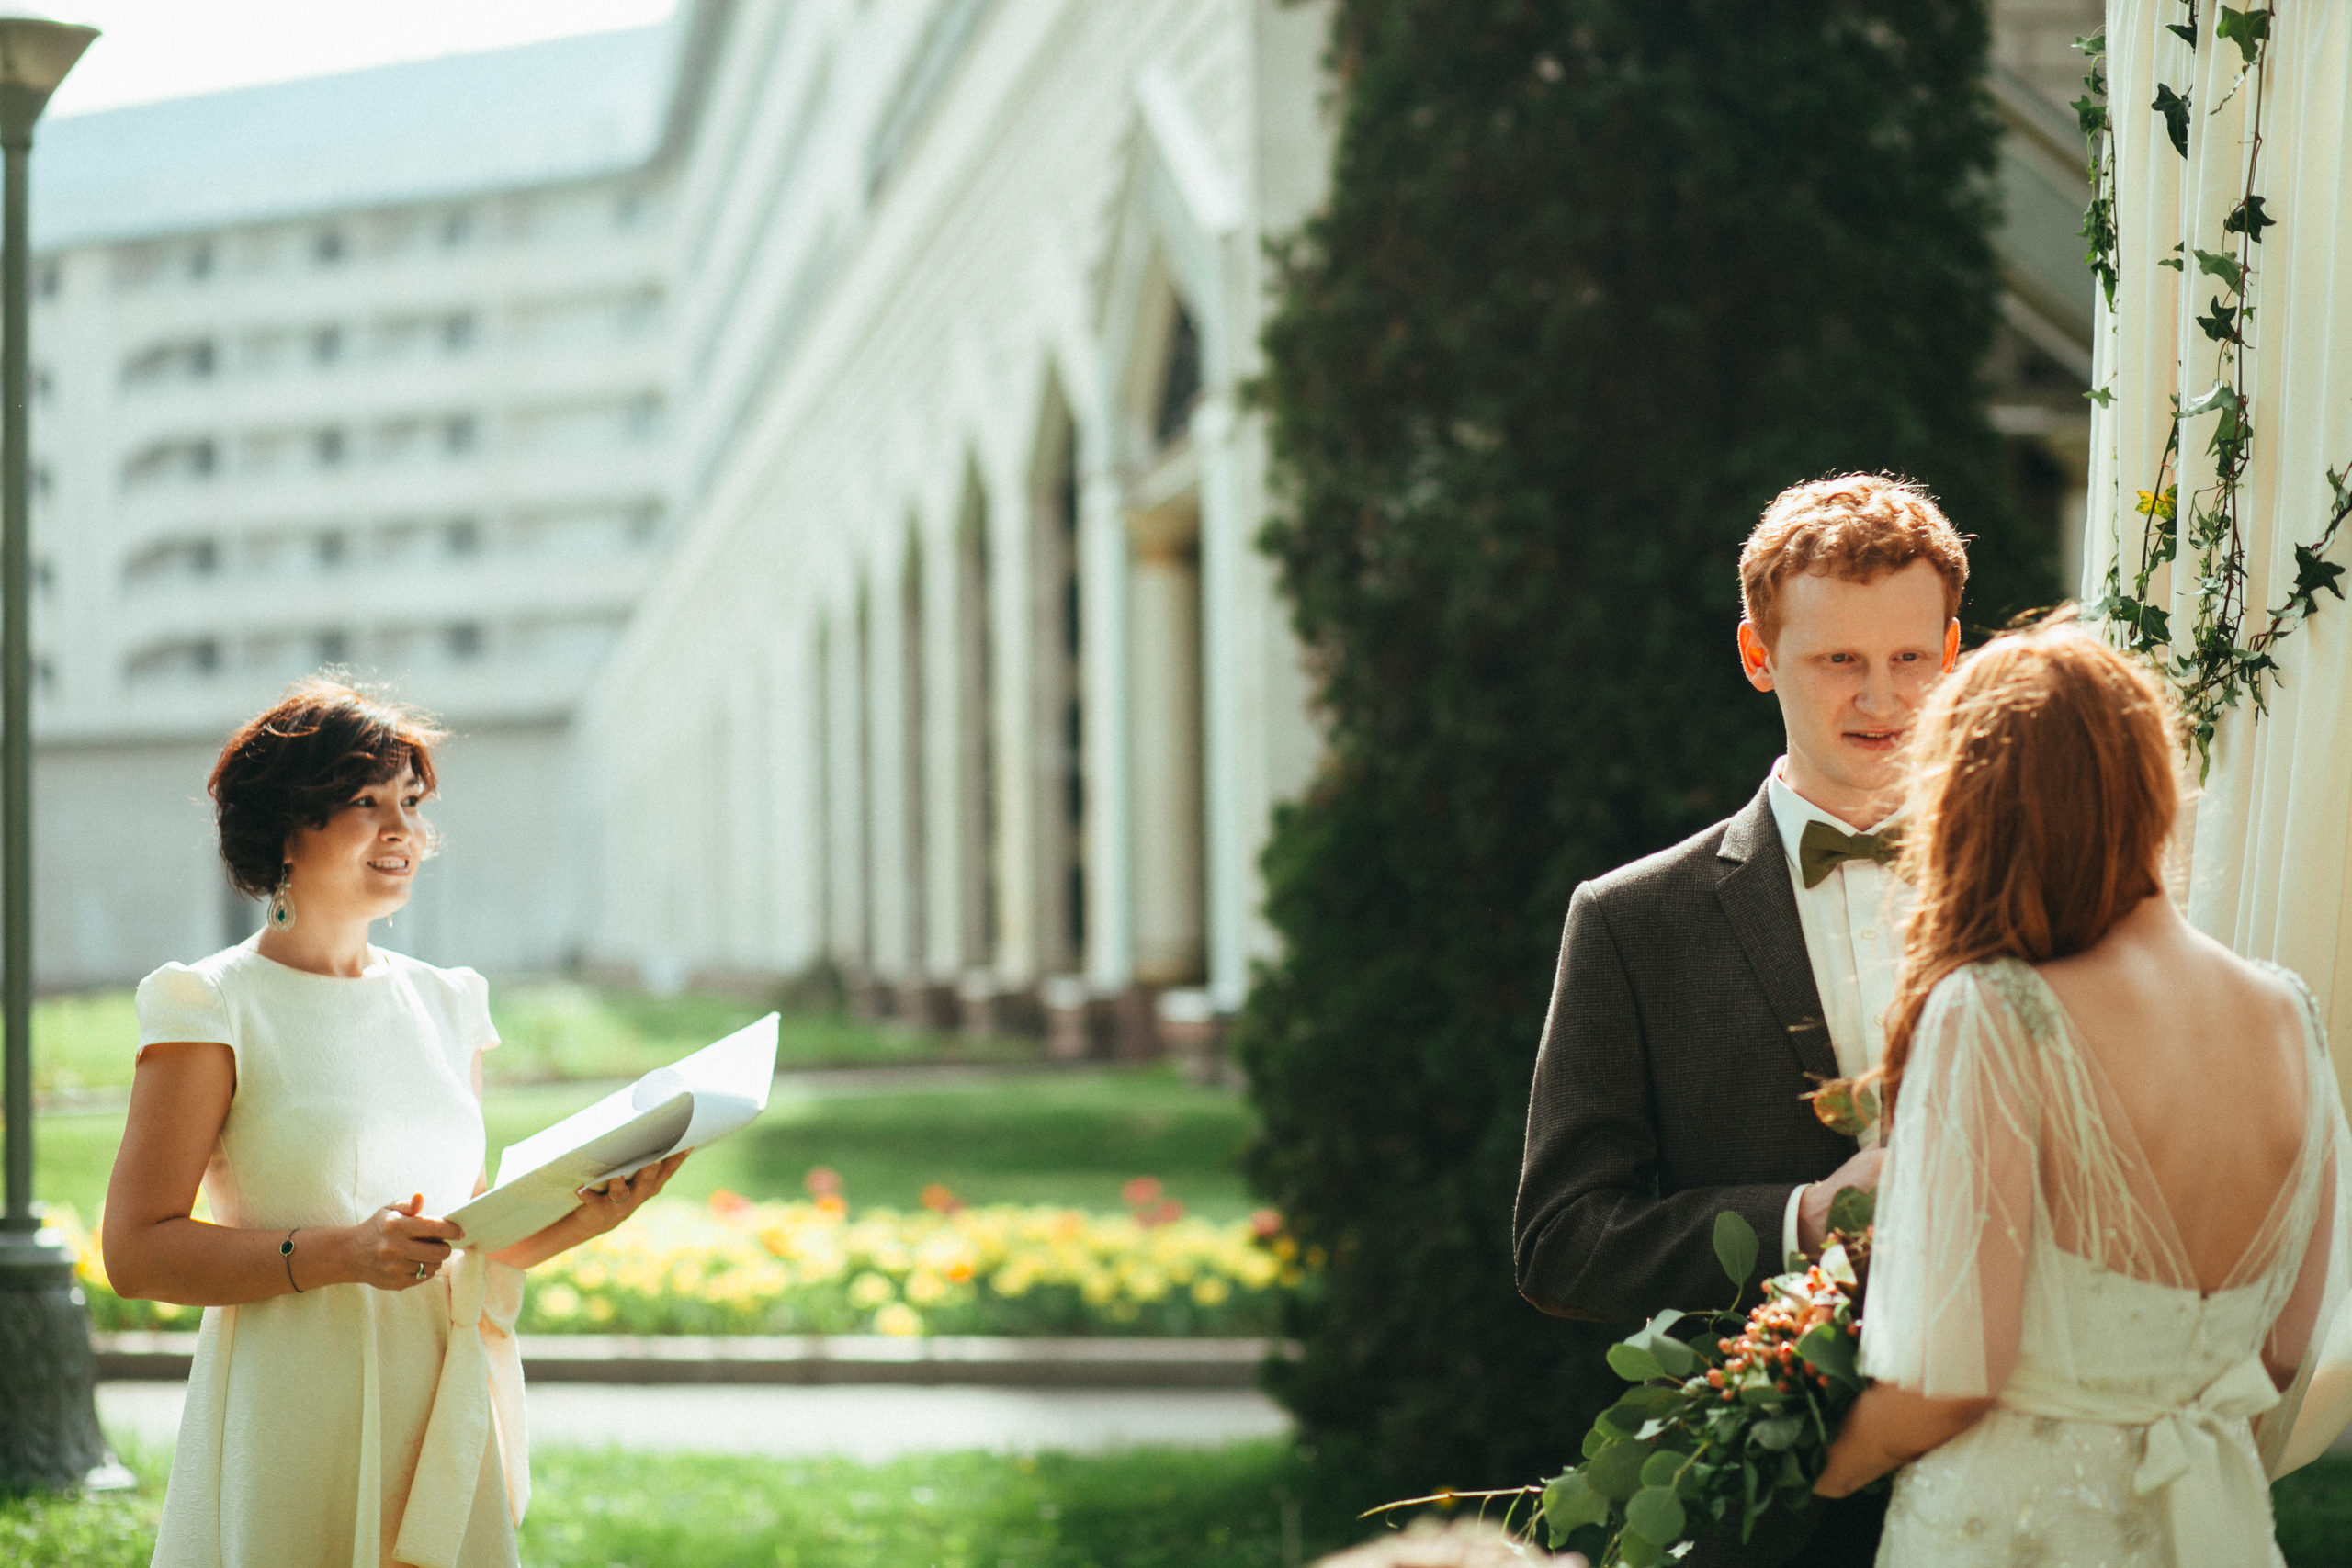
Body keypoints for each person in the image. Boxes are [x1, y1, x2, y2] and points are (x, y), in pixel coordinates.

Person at [101, 678, 690, 1568]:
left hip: (436, 1401)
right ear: (285, 830)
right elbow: (136, 1250)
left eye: (410, 803)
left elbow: (461, 1237)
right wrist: (341, 1253)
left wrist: (586, 1214)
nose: (401, 830)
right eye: (364, 803)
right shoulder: (210, 1002)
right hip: (292, 1407)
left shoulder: (451, 1002)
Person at [1813, 617, 2352, 1564]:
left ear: (1976, 806)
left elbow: (1950, 1380)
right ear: (2150, 784)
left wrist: (1801, 1469)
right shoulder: (2287, 1015)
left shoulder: (1996, 1010)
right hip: (2213, 1526)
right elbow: (2280, 1353)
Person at [1514, 473, 1967, 1568]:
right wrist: (1802, 1219)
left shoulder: (2036, 892)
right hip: (1763, 1511)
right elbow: (1562, 1242)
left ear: (1954, 652)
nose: (1881, 697)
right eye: (1837, 660)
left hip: (2003, 1480)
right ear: (1757, 656)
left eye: (1909, 657)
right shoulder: (1632, 921)